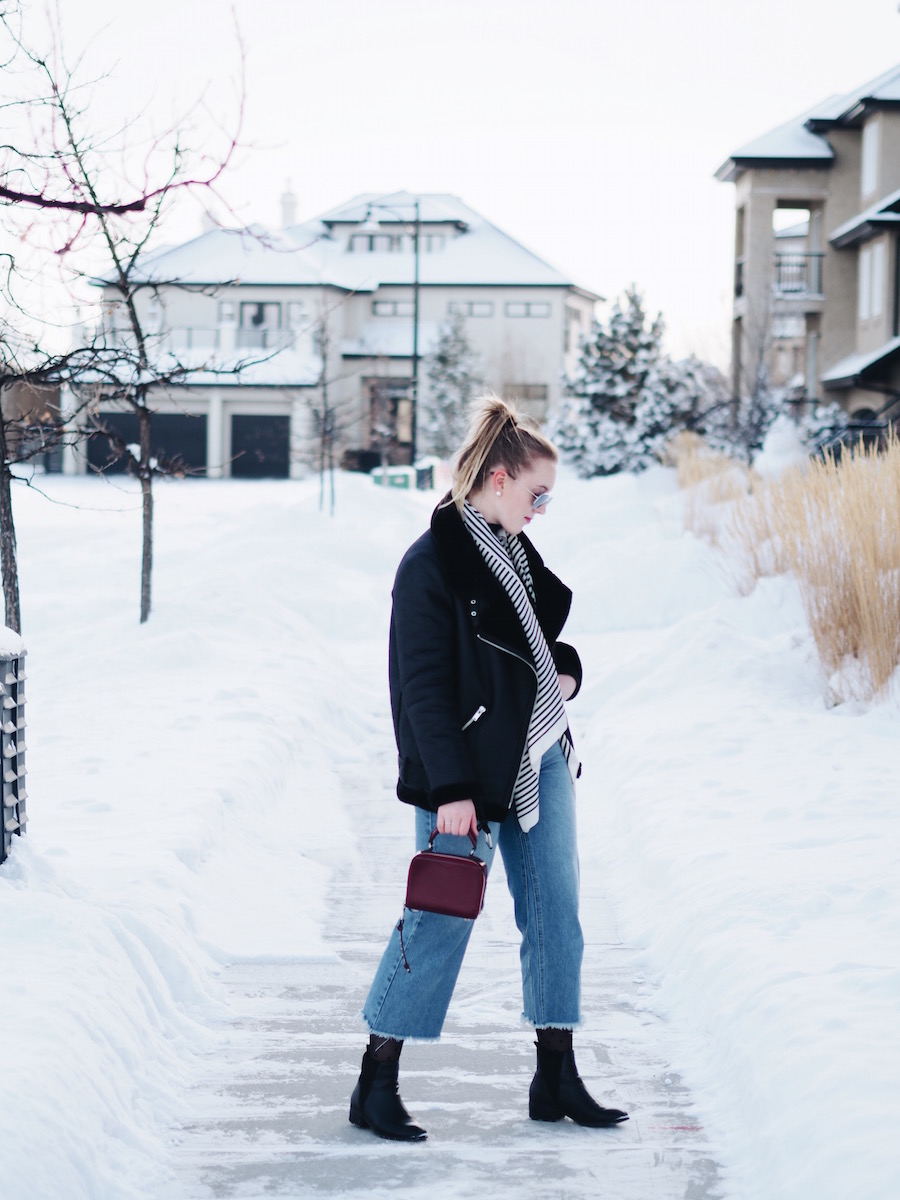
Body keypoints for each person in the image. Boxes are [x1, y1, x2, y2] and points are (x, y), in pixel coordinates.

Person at [349, 395, 628, 1142]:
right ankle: (376, 1082)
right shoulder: (431, 562)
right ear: (498, 479)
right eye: (538, 493)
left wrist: (564, 671)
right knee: (439, 919)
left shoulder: (514, 552)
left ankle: (556, 1075)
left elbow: (533, 648)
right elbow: (422, 689)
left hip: (536, 761)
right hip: (466, 776)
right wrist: (451, 791)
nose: (542, 508)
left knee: (556, 917)